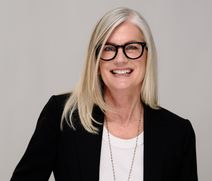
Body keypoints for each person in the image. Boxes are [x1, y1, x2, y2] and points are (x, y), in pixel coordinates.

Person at [10, 7, 198, 181]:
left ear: (147, 56)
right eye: (108, 49)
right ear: (96, 61)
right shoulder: (62, 115)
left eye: (132, 47)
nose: (120, 59)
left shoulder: (178, 133)